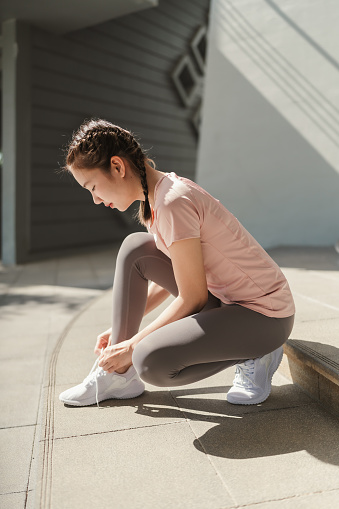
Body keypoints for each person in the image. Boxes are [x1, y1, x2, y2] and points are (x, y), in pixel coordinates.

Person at [59, 119, 295, 407]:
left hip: (263, 316)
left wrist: (132, 346)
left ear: (118, 167)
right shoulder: (156, 198)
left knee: (148, 361)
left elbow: (192, 297)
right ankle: (117, 375)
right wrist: (122, 338)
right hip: (224, 300)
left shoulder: (172, 202)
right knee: (136, 248)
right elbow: (184, 277)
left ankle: (258, 352)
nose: (95, 199)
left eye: (92, 186)